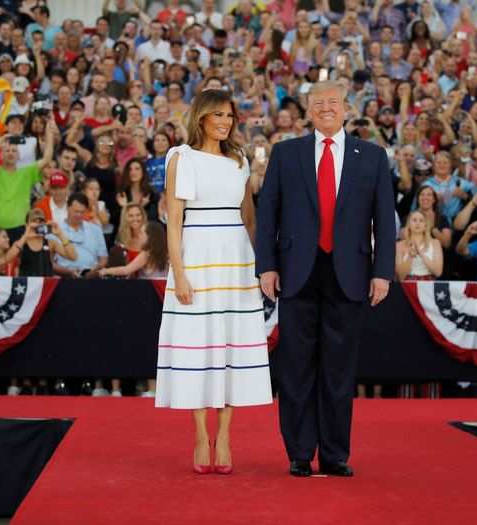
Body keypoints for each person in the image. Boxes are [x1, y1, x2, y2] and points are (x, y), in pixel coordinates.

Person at [256, 80, 395, 477]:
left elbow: (385, 222)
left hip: (349, 275)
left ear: (346, 108)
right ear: (308, 110)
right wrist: (266, 265)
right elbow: (268, 215)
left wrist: (382, 272)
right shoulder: (286, 154)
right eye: (318, 103)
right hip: (296, 274)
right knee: (296, 367)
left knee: (339, 370)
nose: (326, 108)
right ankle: (300, 452)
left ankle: (335, 454)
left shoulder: (371, 156)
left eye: (333, 102)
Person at [156, 89, 273, 475]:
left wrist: (260, 265)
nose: (225, 121)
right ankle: (199, 434)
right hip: (197, 258)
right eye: (217, 114)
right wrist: (180, 272)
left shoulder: (240, 161)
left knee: (230, 348)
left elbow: (250, 219)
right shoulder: (181, 158)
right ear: (201, 116)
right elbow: (174, 221)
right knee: (197, 347)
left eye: (229, 115)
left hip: (236, 260)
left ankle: (224, 435)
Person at [0, 122, 56, 242]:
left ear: (18, 156)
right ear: (1, 156)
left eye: (14, 151)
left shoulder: (26, 172)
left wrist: (49, 136)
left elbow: (47, 159)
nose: (11, 153)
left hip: (19, 227)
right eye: (7, 151)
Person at [6, 208, 76, 277]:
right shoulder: (21, 243)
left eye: (40, 221)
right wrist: (25, 236)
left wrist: (60, 234)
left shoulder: (51, 243)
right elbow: (7, 259)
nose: (37, 224)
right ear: (27, 225)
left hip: (46, 286)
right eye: (34, 221)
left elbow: (73, 256)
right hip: (27, 286)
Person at [53, 193, 108, 277]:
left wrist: (94, 272)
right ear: (67, 208)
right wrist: (68, 272)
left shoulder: (95, 230)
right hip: (64, 278)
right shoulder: (56, 230)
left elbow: (103, 259)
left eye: (82, 212)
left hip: (91, 278)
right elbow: (50, 263)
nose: (78, 215)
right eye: (76, 211)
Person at [395, 210, 443, 280]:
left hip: (428, 285)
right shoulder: (399, 245)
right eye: (414, 220)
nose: (418, 223)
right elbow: (400, 277)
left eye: (421, 221)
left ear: (425, 225)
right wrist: (410, 257)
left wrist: (420, 253)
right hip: (407, 285)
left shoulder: (435, 243)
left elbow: (438, 272)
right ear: (409, 224)